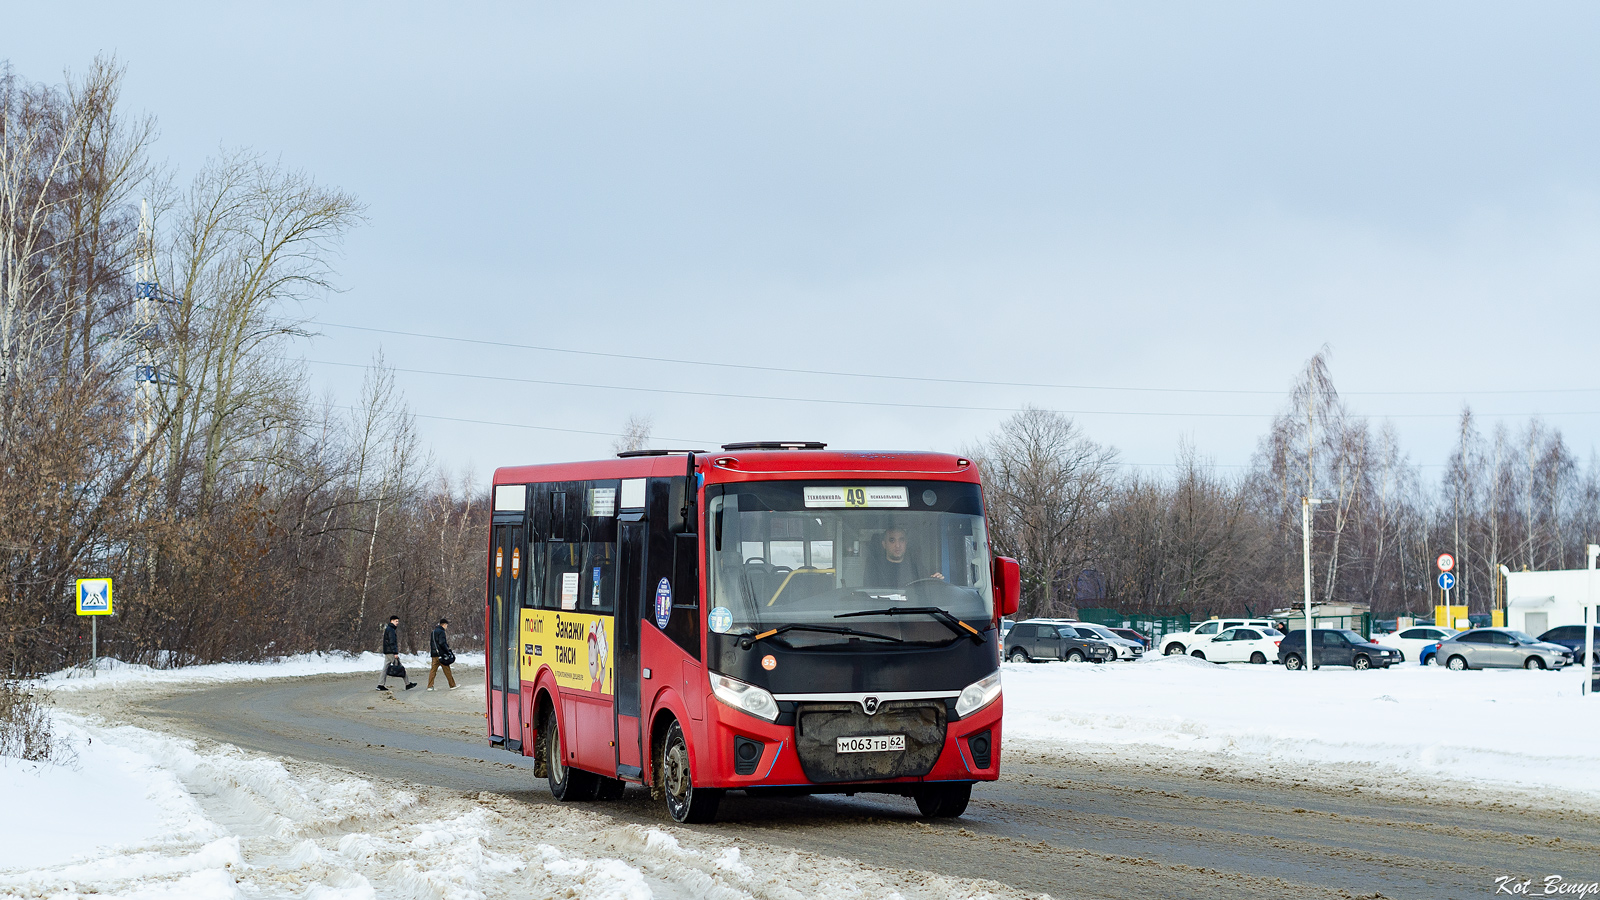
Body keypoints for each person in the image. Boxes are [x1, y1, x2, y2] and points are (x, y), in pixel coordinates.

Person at [863, 525, 943, 588]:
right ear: (884, 544)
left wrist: (936, 581)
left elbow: (927, 590)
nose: (897, 545)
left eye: (901, 540)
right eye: (892, 540)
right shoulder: (875, 569)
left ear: (906, 543)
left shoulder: (916, 567)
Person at [378, 614, 416, 691]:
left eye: (398, 621)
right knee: (400, 667)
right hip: (391, 652)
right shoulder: (391, 630)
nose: (397, 622)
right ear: (392, 621)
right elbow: (392, 642)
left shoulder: (389, 629)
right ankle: (407, 684)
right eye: (396, 621)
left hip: (387, 651)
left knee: (385, 668)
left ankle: (380, 685)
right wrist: (395, 653)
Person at [428, 618, 457, 691]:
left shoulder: (433, 632)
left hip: (434, 654)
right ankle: (452, 685)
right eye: (446, 625)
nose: (446, 627)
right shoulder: (441, 632)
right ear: (444, 625)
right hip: (441, 655)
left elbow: (432, 643)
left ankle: (430, 686)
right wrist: (447, 651)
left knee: (433, 671)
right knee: (447, 670)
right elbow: (442, 643)